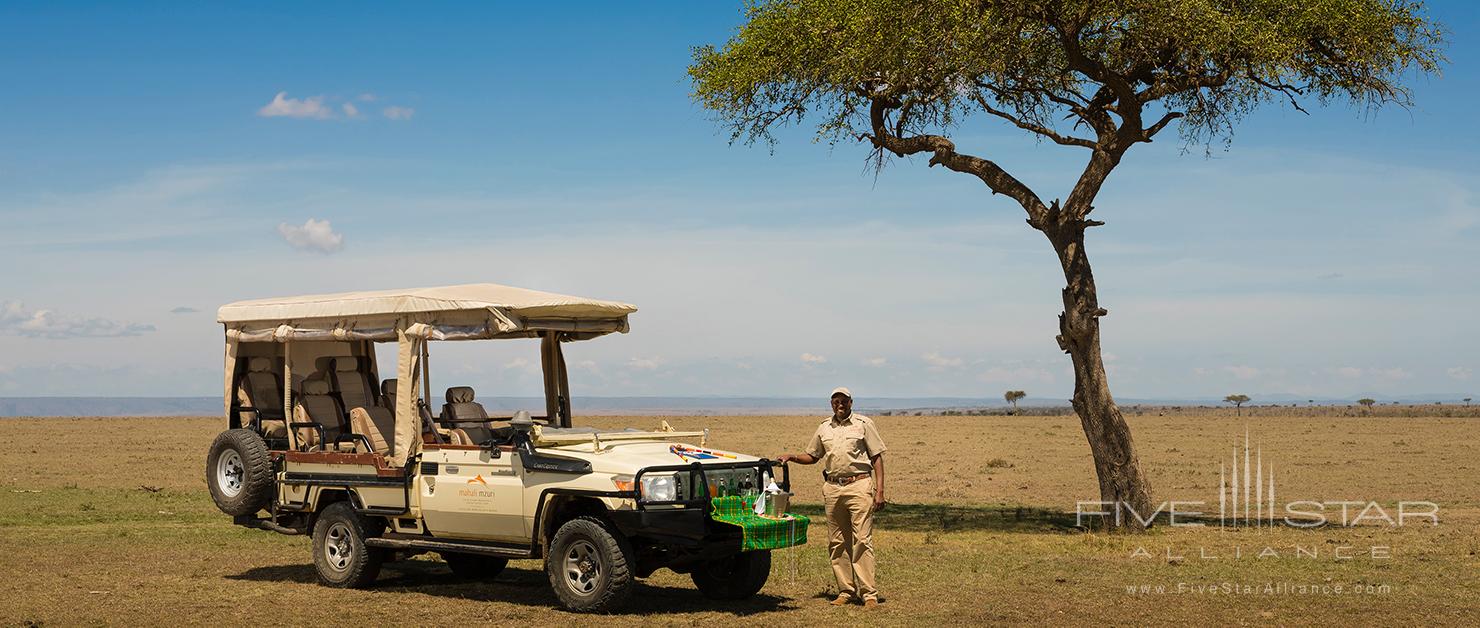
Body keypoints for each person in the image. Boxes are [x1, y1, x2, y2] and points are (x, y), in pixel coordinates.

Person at [777, 386, 887, 608]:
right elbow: (813, 455)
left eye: (844, 401)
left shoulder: (864, 424)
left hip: (859, 485)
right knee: (837, 541)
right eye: (836, 401)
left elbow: (876, 457)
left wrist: (880, 491)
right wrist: (792, 456)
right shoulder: (823, 428)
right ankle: (846, 591)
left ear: (851, 402)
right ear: (831, 403)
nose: (840, 405)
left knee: (862, 540)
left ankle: (869, 594)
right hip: (833, 488)